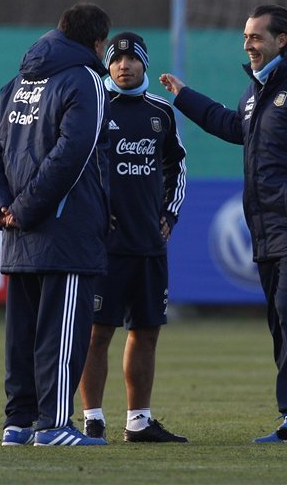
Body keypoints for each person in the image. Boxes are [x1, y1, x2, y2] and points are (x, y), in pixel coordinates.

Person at [160, 5, 287, 443]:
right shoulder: (255, 92)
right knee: (280, 319)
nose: (247, 44)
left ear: (281, 40)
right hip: (265, 226)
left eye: (255, 36)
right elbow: (234, 126)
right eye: (245, 37)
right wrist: (185, 96)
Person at [0, 2, 112, 446]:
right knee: (62, 332)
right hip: (65, 230)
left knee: (22, 333)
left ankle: (18, 423)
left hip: (18, 234)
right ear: (98, 43)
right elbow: (73, 153)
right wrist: (27, 208)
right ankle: (54, 424)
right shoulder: (86, 80)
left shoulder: (16, 84)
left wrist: (3, 209)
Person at [79, 32, 188, 443]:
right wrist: (93, 213)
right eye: (116, 60)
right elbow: (76, 165)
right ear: (107, 66)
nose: (123, 66)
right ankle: (92, 419)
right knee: (96, 333)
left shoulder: (161, 112)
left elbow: (177, 166)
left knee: (146, 331)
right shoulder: (93, 107)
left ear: (144, 64)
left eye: (132, 59)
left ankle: (138, 421)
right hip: (103, 246)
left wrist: (169, 214)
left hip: (148, 243)